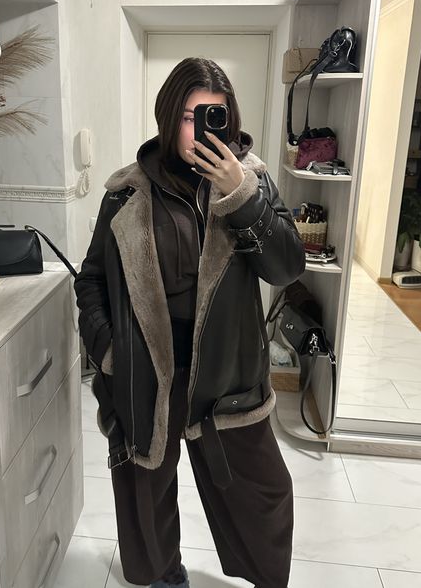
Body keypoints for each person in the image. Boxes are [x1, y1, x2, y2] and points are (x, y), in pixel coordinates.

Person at [74, 57, 306, 588]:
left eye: (213, 115)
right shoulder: (127, 193)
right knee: (147, 486)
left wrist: (240, 195)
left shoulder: (252, 181)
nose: (199, 128)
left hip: (228, 372)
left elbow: (286, 267)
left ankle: (266, 577)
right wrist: (109, 351)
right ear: (167, 117)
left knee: (265, 490)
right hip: (147, 369)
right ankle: (163, 575)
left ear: (229, 119)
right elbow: (91, 280)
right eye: (188, 116)